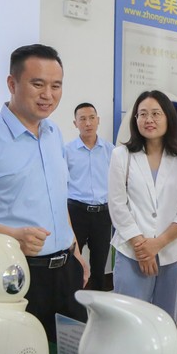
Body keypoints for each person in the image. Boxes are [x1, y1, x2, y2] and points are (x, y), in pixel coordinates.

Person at [0, 44, 88, 342]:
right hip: (17, 271)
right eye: (37, 84)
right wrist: (12, 236)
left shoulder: (53, 134)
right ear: (12, 84)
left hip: (66, 270)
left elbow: (56, 197)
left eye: (56, 86)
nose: (47, 94)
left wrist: (74, 249)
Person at [108, 90, 177, 321]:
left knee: (166, 321)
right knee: (129, 321)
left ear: (168, 117)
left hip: (172, 253)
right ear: (135, 120)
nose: (149, 120)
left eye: (156, 113)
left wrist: (157, 244)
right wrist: (142, 248)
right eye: (142, 114)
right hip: (131, 253)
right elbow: (118, 205)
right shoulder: (121, 155)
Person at [65, 102, 115, 291]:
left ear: (98, 120)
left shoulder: (110, 150)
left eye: (92, 118)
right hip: (76, 211)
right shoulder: (67, 151)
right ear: (75, 123)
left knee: (100, 263)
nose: (88, 123)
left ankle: (98, 305)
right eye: (83, 119)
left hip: (102, 214)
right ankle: (73, 305)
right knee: (72, 261)